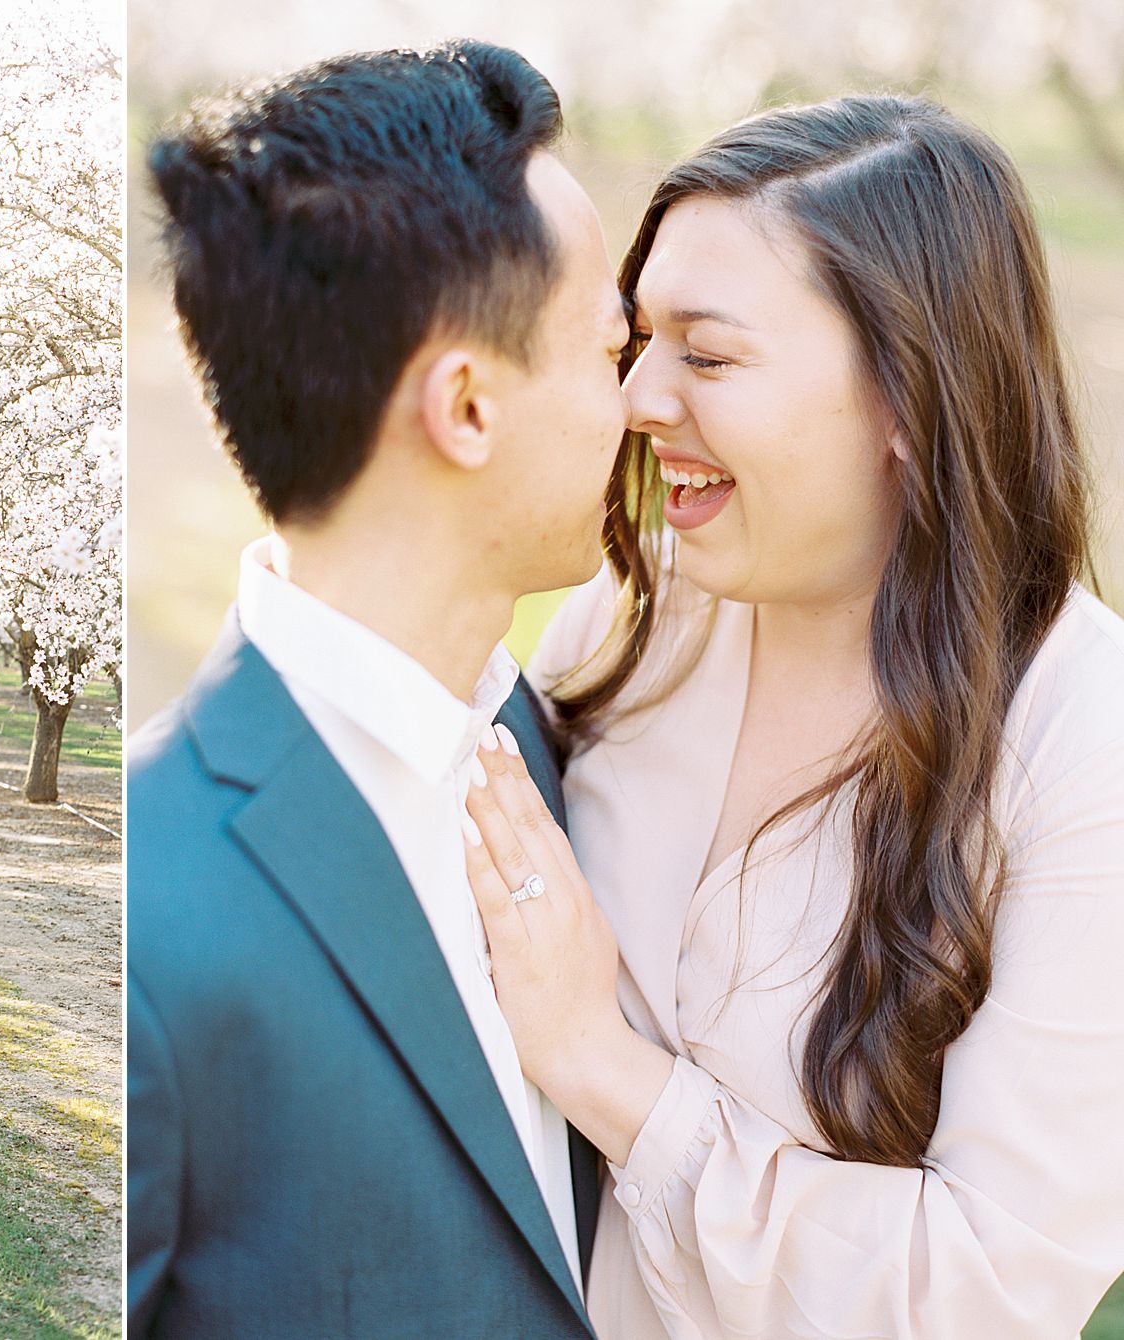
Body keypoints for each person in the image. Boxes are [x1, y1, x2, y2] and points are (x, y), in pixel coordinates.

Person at [461, 95, 1124, 1337]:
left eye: (705, 357)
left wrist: (607, 1072)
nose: (636, 399)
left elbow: (982, 1289)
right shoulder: (628, 619)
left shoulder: (1084, 743)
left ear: (905, 402)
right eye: (637, 338)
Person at [128, 41, 633, 1338]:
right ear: (467, 407)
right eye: (611, 349)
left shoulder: (581, 743)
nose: (642, 404)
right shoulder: (152, 918)